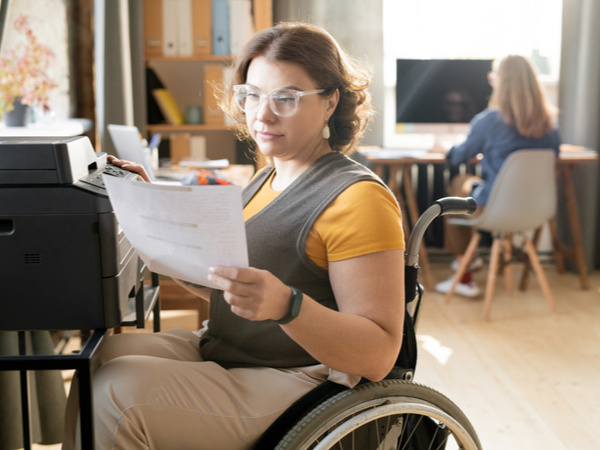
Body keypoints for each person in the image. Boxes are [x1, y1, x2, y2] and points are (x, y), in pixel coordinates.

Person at [62, 22, 405, 450]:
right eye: (251, 95)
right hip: (234, 350)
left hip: (299, 378)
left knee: (117, 394)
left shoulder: (359, 199)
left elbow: (377, 354)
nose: (262, 114)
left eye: (286, 98)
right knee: (97, 362)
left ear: (331, 101)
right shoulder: (266, 179)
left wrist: (287, 305)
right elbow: (235, 291)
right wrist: (154, 215)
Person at [431, 54, 561, 297]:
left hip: (496, 207)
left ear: (502, 82)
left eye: (494, 75)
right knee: (474, 184)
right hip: (536, 209)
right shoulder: (550, 125)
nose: (491, 80)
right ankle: (468, 264)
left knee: (460, 182)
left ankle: (465, 273)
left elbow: (458, 157)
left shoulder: (490, 120)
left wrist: (444, 149)